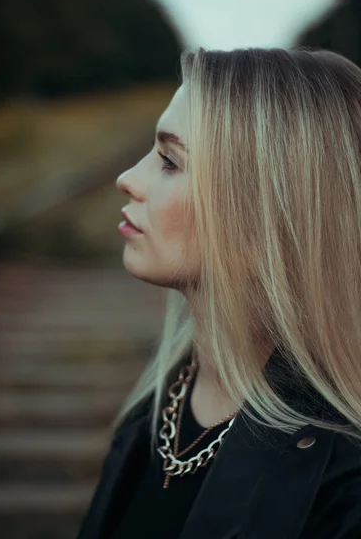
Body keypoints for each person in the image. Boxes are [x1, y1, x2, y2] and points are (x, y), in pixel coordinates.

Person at [76, 47, 361, 539]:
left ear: (264, 218)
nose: (128, 179)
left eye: (169, 161)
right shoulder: (159, 406)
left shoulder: (343, 482)